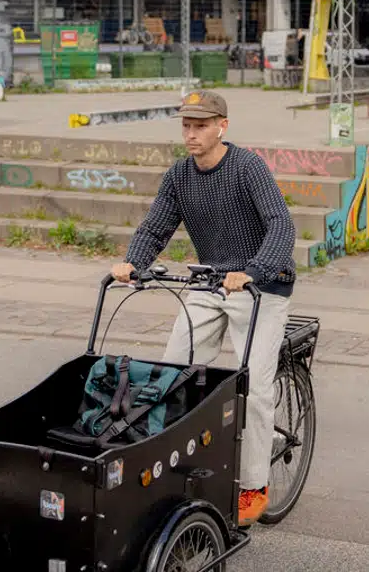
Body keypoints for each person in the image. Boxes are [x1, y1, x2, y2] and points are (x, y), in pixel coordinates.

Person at [110, 89, 296, 527]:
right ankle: (176, 466)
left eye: (200, 126)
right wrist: (133, 261)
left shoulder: (247, 167)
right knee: (172, 372)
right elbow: (157, 225)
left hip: (261, 287)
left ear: (222, 127)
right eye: (186, 126)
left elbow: (280, 225)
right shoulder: (179, 176)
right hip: (210, 282)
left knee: (255, 387)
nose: (191, 135)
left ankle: (253, 484)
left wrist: (255, 269)